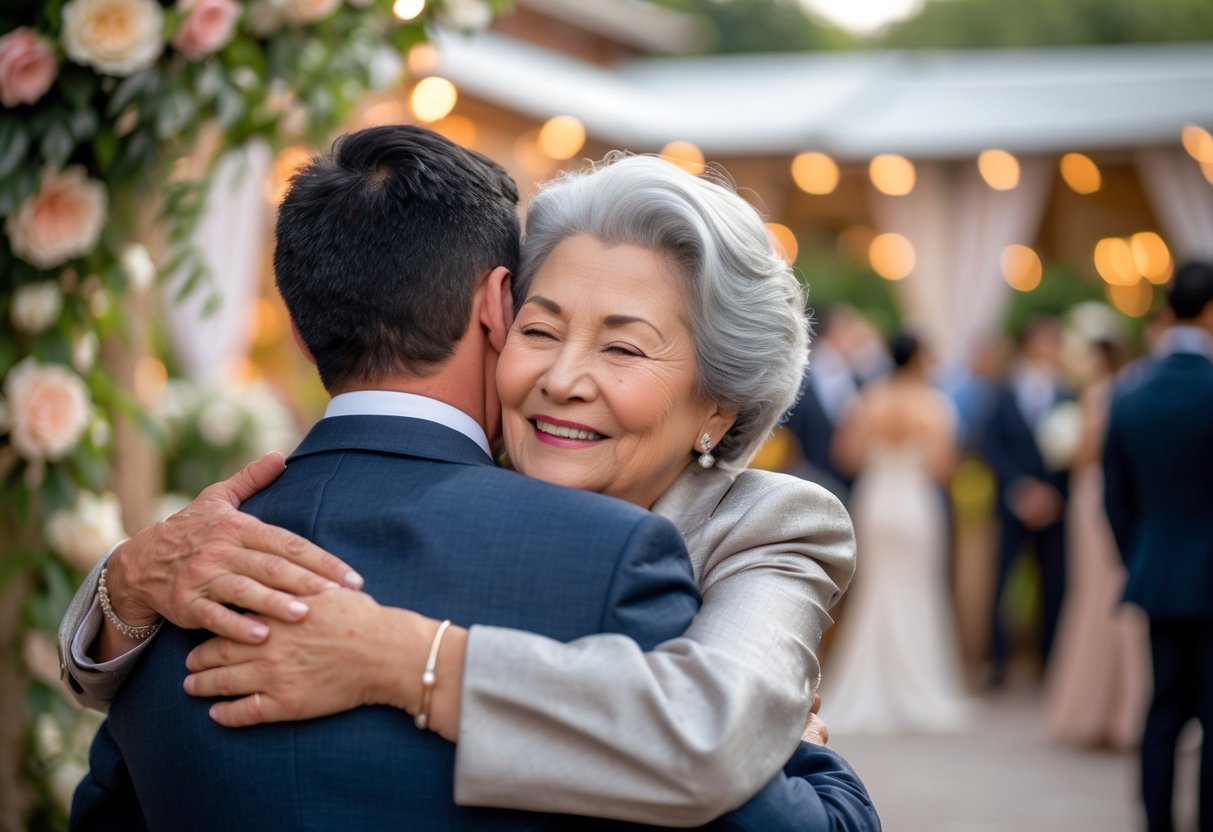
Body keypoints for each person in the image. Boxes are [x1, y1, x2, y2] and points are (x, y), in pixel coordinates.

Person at [63, 128, 876, 830]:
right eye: (540, 327)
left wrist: (403, 655)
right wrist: (126, 583)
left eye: (622, 348)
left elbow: (712, 741)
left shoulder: (769, 524)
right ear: (497, 316)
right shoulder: (260, 541)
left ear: (718, 408)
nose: (561, 378)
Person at [1103, 260, 1213, 832]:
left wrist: (1142, 557)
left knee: (1164, 710)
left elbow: (1115, 501)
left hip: (1160, 574)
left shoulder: (1130, 391)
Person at [820, 331, 971, 733]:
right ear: (919, 359)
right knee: (918, 588)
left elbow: (846, 457)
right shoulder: (934, 404)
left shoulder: (868, 399)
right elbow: (942, 467)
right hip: (915, 504)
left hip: (877, 501)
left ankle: (870, 681)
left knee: (875, 587)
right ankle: (918, 684)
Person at [1045, 334, 1148, 750]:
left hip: (1093, 498)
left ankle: (1093, 710)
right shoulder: (1132, 390)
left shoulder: (1098, 395)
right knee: (1113, 599)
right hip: (1124, 497)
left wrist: (1063, 446)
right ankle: (1124, 709)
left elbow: (1088, 452)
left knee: (1093, 598)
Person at [979, 315, 1073, 686]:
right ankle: (998, 661)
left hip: (1054, 507)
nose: (1054, 348)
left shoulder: (1069, 393)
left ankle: (1049, 663)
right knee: (1002, 584)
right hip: (1012, 503)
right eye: (1048, 340)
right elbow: (991, 445)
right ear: (1032, 344)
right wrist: (1020, 488)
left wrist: (1052, 493)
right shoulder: (1002, 393)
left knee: (1055, 583)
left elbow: (1072, 452)